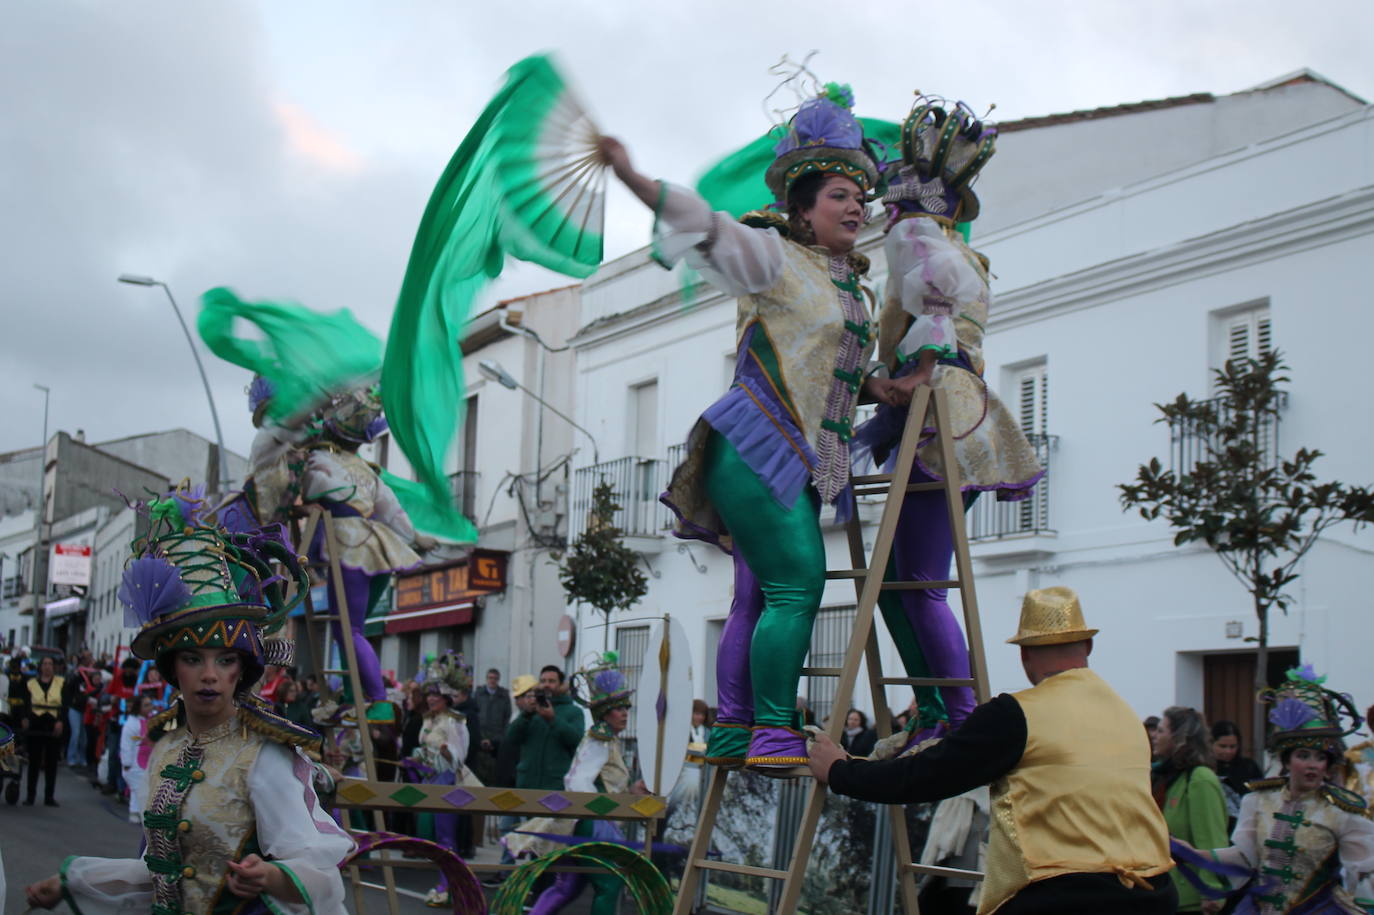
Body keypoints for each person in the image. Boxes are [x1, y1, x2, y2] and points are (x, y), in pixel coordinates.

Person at [603, 80, 902, 770]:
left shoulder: (852, 286)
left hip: (799, 455)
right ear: (800, 207)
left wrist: (883, 386)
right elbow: (706, 226)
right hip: (758, 442)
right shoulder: (771, 256)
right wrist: (632, 178)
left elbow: (835, 377)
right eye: (839, 195)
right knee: (798, 582)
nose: (856, 206)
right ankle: (773, 731)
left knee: (758, 592)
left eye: (861, 198)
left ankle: (737, 728)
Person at [23, 485, 352, 913]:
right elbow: (158, 874)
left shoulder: (262, 756)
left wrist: (271, 876)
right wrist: (70, 881)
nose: (209, 675)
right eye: (194, 659)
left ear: (242, 670)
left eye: (225, 659)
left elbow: (319, 869)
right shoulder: (166, 750)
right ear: (173, 669)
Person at [852, 96, 1043, 750]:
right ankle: (935, 710)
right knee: (893, 588)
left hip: (942, 409)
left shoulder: (938, 260)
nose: (891, 226)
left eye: (900, 215)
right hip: (927, 411)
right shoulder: (925, 259)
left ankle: (959, 719)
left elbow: (934, 321)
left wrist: (916, 372)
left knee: (923, 585)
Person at [808, 586, 1177, 913]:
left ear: (1025, 655)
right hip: (1153, 888)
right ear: (1089, 647)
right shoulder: (1125, 713)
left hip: (1063, 893)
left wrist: (841, 770)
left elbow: (926, 776)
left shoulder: (1018, 712)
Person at [1180, 666, 1374, 913]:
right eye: (1303, 755)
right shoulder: (1259, 800)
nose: (1312, 764)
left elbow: (1366, 873)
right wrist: (1191, 853)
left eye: (1320, 757)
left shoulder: (1341, 810)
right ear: (1286, 761)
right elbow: (1244, 857)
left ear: (1328, 765)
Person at [302, 385, 421, 723]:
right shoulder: (368, 471)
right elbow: (393, 513)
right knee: (353, 630)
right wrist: (417, 538)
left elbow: (315, 488)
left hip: (351, 545)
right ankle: (354, 696)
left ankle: (380, 701)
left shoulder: (320, 461)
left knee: (348, 631)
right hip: (381, 547)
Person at [509, 653, 646, 915]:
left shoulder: (608, 740)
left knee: (566, 887)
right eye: (619, 709)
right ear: (605, 713)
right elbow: (578, 782)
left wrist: (631, 791)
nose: (625, 714)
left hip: (584, 821)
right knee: (610, 882)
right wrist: (598, 818)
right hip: (590, 822)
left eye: (627, 708)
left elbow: (602, 782)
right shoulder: (600, 739)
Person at [407, 652, 481, 908]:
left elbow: (460, 755)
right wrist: (416, 761)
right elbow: (423, 749)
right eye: (429, 695)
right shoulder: (428, 720)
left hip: (448, 781)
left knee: (446, 838)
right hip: (430, 779)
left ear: (447, 698)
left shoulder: (455, 721)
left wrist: (448, 752)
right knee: (436, 838)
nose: (430, 699)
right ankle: (452, 884)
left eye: (436, 696)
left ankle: (447, 886)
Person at [1150, 706, 1229, 911]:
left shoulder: (1199, 779)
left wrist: (1211, 891)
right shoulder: (1163, 778)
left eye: (1161, 730)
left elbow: (1212, 840)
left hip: (1192, 900)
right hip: (1164, 895)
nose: (1154, 736)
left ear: (1179, 737)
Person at [505, 666, 585, 791]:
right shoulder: (531, 711)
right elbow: (511, 738)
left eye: (551, 681)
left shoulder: (574, 712)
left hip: (556, 784)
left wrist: (553, 719)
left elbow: (576, 741)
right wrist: (526, 714)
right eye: (543, 681)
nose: (546, 685)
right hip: (527, 783)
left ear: (561, 685)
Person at [22, 654, 65, 806]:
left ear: (54, 667)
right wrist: (25, 718)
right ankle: (30, 796)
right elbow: (26, 703)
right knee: (33, 762)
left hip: (53, 724)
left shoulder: (61, 683)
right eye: (45, 664)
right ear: (40, 667)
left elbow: (64, 705)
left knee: (51, 763)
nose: (47, 667)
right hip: (36, 724)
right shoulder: (31, 683)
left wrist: (60, 721)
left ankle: (49, 796)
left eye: (50, 664)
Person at [1211, 718, 1262, 831]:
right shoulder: (1206, 769)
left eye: (1233, 747)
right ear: (1211, 743)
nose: (1228, 751)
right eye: (1223, 746)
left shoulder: (1249, 767)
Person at [118, 694, 154, 824]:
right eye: (146, 705)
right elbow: (126, 745)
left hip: (147, 761)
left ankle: (138, 812)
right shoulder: (131, 724)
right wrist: (126, 763)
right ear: (138, 708)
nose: (150, 707)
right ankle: (136, 812)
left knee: (141, 788)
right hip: (135, 762)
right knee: (138, 788)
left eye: (150, 703)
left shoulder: (151, 719)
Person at [474, 666, 512, 783]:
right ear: (486, 679)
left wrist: (497, 739)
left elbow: (507, 717)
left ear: (498, 680)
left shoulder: (504, 695)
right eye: (490, 678)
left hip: (496, 738)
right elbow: (474, 716)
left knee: (494, 773)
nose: (492, 680)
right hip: (480, 736)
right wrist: (479, 737)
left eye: (495, 678)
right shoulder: (479, 694)